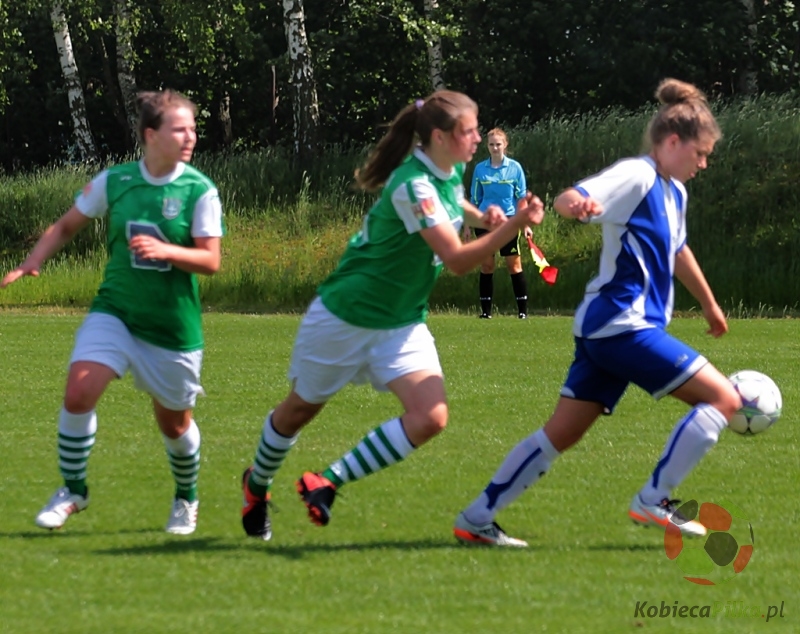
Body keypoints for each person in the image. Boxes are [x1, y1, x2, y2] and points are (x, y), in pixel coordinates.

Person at [240, 91, 545, 541]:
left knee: (431, 417)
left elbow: (457, 205)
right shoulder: (412, 185)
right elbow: (456, 259)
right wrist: (513, 225)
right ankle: (256, 486)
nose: (479, 138)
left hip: (401, 323)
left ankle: (326, 482)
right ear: (439, 137)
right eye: (469, 131)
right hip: (345, 317)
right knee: (298, 411)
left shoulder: (447, 173)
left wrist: (486, 216)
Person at [452, 78, 742, 547]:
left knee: (560, 434)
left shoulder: (675, 193)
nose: (703, 163)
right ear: (673, 142)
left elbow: (677, 250)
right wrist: (579, 206)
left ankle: (477, 516)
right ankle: (654, 499)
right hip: (621, 324)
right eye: (700, 153)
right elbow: (569, 199)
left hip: (604, 329)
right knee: (724, 399)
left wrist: (709, 304)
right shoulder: (638, 175)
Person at [1, 90, 224, 535]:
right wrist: (32, 260)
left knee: (175, 425)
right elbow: (67, 225)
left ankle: (186, 497)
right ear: (151, 135)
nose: (190, 137)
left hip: (171, 327)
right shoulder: (116, 181)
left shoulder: (199, 190)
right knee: (78, 392)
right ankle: (74, 490)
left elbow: (211, 261)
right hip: (115, 311)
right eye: (179, 129)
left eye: (193, 129)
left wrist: (166, 250)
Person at [469, 128, 532, 319]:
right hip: (485, 222)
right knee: (487, 265)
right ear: (487, 146)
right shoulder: (480, 169)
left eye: (498, 144)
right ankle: (486, 312)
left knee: (514, 265)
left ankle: (522, 312)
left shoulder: (515, 168)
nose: (495, 148)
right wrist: (467, 225)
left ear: (505, 145)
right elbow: (474, 199)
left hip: (508, 222)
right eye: (491, 144)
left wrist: (525, 224)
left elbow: (521, 198)